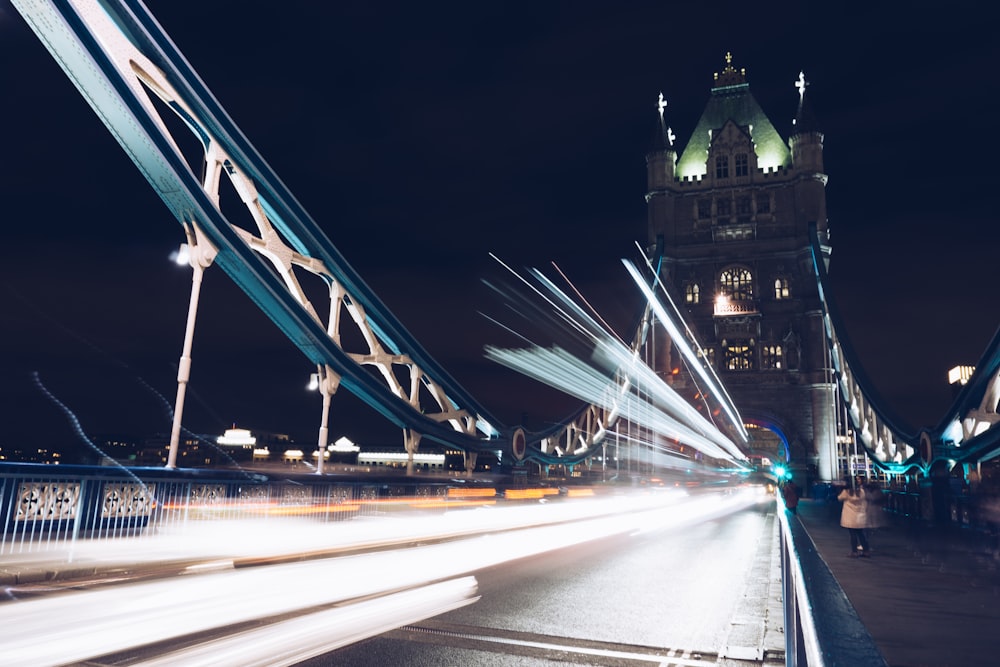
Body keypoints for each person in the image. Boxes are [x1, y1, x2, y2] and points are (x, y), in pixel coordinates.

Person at [838, 482, 869, 557]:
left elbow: (839, 498)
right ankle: (866, 551)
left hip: (850, 517)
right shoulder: (861, 492)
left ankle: (854, 552)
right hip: (859, 516)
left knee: (853, 534)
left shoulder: (846, 492)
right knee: (861, 534)